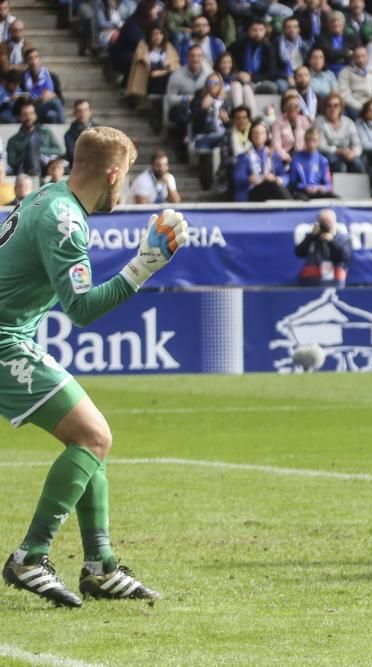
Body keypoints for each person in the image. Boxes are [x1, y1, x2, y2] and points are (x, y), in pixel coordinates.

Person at [1, 126, 190, 607]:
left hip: (10, 335)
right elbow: (81, 309)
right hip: (3, 340)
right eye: (124, 175)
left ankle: (100, 566)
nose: (122, 186)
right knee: (94, 436)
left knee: (87, 439)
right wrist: (144, 265)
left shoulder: (49, 198)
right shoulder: (64, 220)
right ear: (111, 173)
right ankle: (31, 555)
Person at [233, 120, 292, 201]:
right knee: (273, 185)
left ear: (266, 136)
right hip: (252, 192)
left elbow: (285, 176)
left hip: (271, 190)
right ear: (251, 136)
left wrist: (279, 179)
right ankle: (293, 206)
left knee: (275, 185)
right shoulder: (244, 156)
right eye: (255, 133)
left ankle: (292, 205)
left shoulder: (273, 155)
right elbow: (238, 178)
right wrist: (250, 179)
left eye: (262, 133)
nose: (258, 136)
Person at [295, 209, 352, 288]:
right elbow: (299, 253)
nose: (326, 226)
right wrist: (311, 237)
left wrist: (331, 241)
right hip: (311, 285)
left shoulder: (343, 239)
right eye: (323, 222)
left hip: (335, 285)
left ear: (335, 223)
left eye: (328, 223)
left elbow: (343, 257)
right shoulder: (312, 238)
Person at [6, 101, 61, 176]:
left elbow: (58, 150)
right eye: (25, 114)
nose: (28, 117)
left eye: (31, 113)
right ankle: (36, 175)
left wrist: (39, 149)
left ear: (35, 115)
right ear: (20, 117)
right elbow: (11, 162)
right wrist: (27, 152)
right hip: (25, 168)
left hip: (47, 165)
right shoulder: (13, 140)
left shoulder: (46, 132)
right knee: (31, 148)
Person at [127, 26, 181, 98]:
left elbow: (175, 64)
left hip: (166, 78)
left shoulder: (168, 47)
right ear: (150, 36)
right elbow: (145, 64)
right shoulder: (143, 47)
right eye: (154, 34)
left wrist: (164, 71)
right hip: (148, 81)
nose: (157, 36)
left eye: (160, 33)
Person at [288, 127, 334, 199]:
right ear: (305, 141)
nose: (311, 144)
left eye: (314, 141)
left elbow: (329, 186)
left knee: (335, 198)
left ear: (318, 142)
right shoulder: (297, 158)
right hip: (302, 192)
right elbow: (292, 182)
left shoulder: (323, 161)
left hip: (317, 192)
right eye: (309, 140)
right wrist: (304, 187)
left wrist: (318, 188)